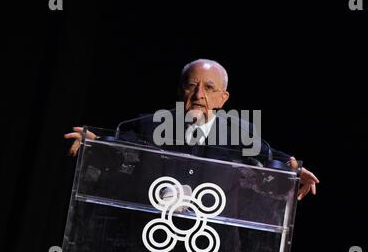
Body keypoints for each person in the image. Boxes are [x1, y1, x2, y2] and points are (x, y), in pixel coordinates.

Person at [64, 59, 319, 200]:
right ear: (180, 91)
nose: (198, 95)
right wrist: (95, 145)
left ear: (223, 99)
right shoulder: (150, 125)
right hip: (149, 248)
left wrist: (293, 170)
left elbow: (272, 157)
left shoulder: (240, 134)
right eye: (191, 86)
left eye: (209, 88)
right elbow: (119, 146)